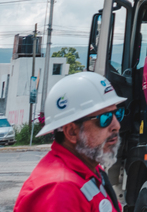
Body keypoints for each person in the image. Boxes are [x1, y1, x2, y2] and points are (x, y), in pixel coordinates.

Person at [14, 71, 127, 212]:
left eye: (118, 114)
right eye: (105, 118)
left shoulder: (88, 168)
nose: (116, 125)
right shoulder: (59, 191)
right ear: (72, 132)